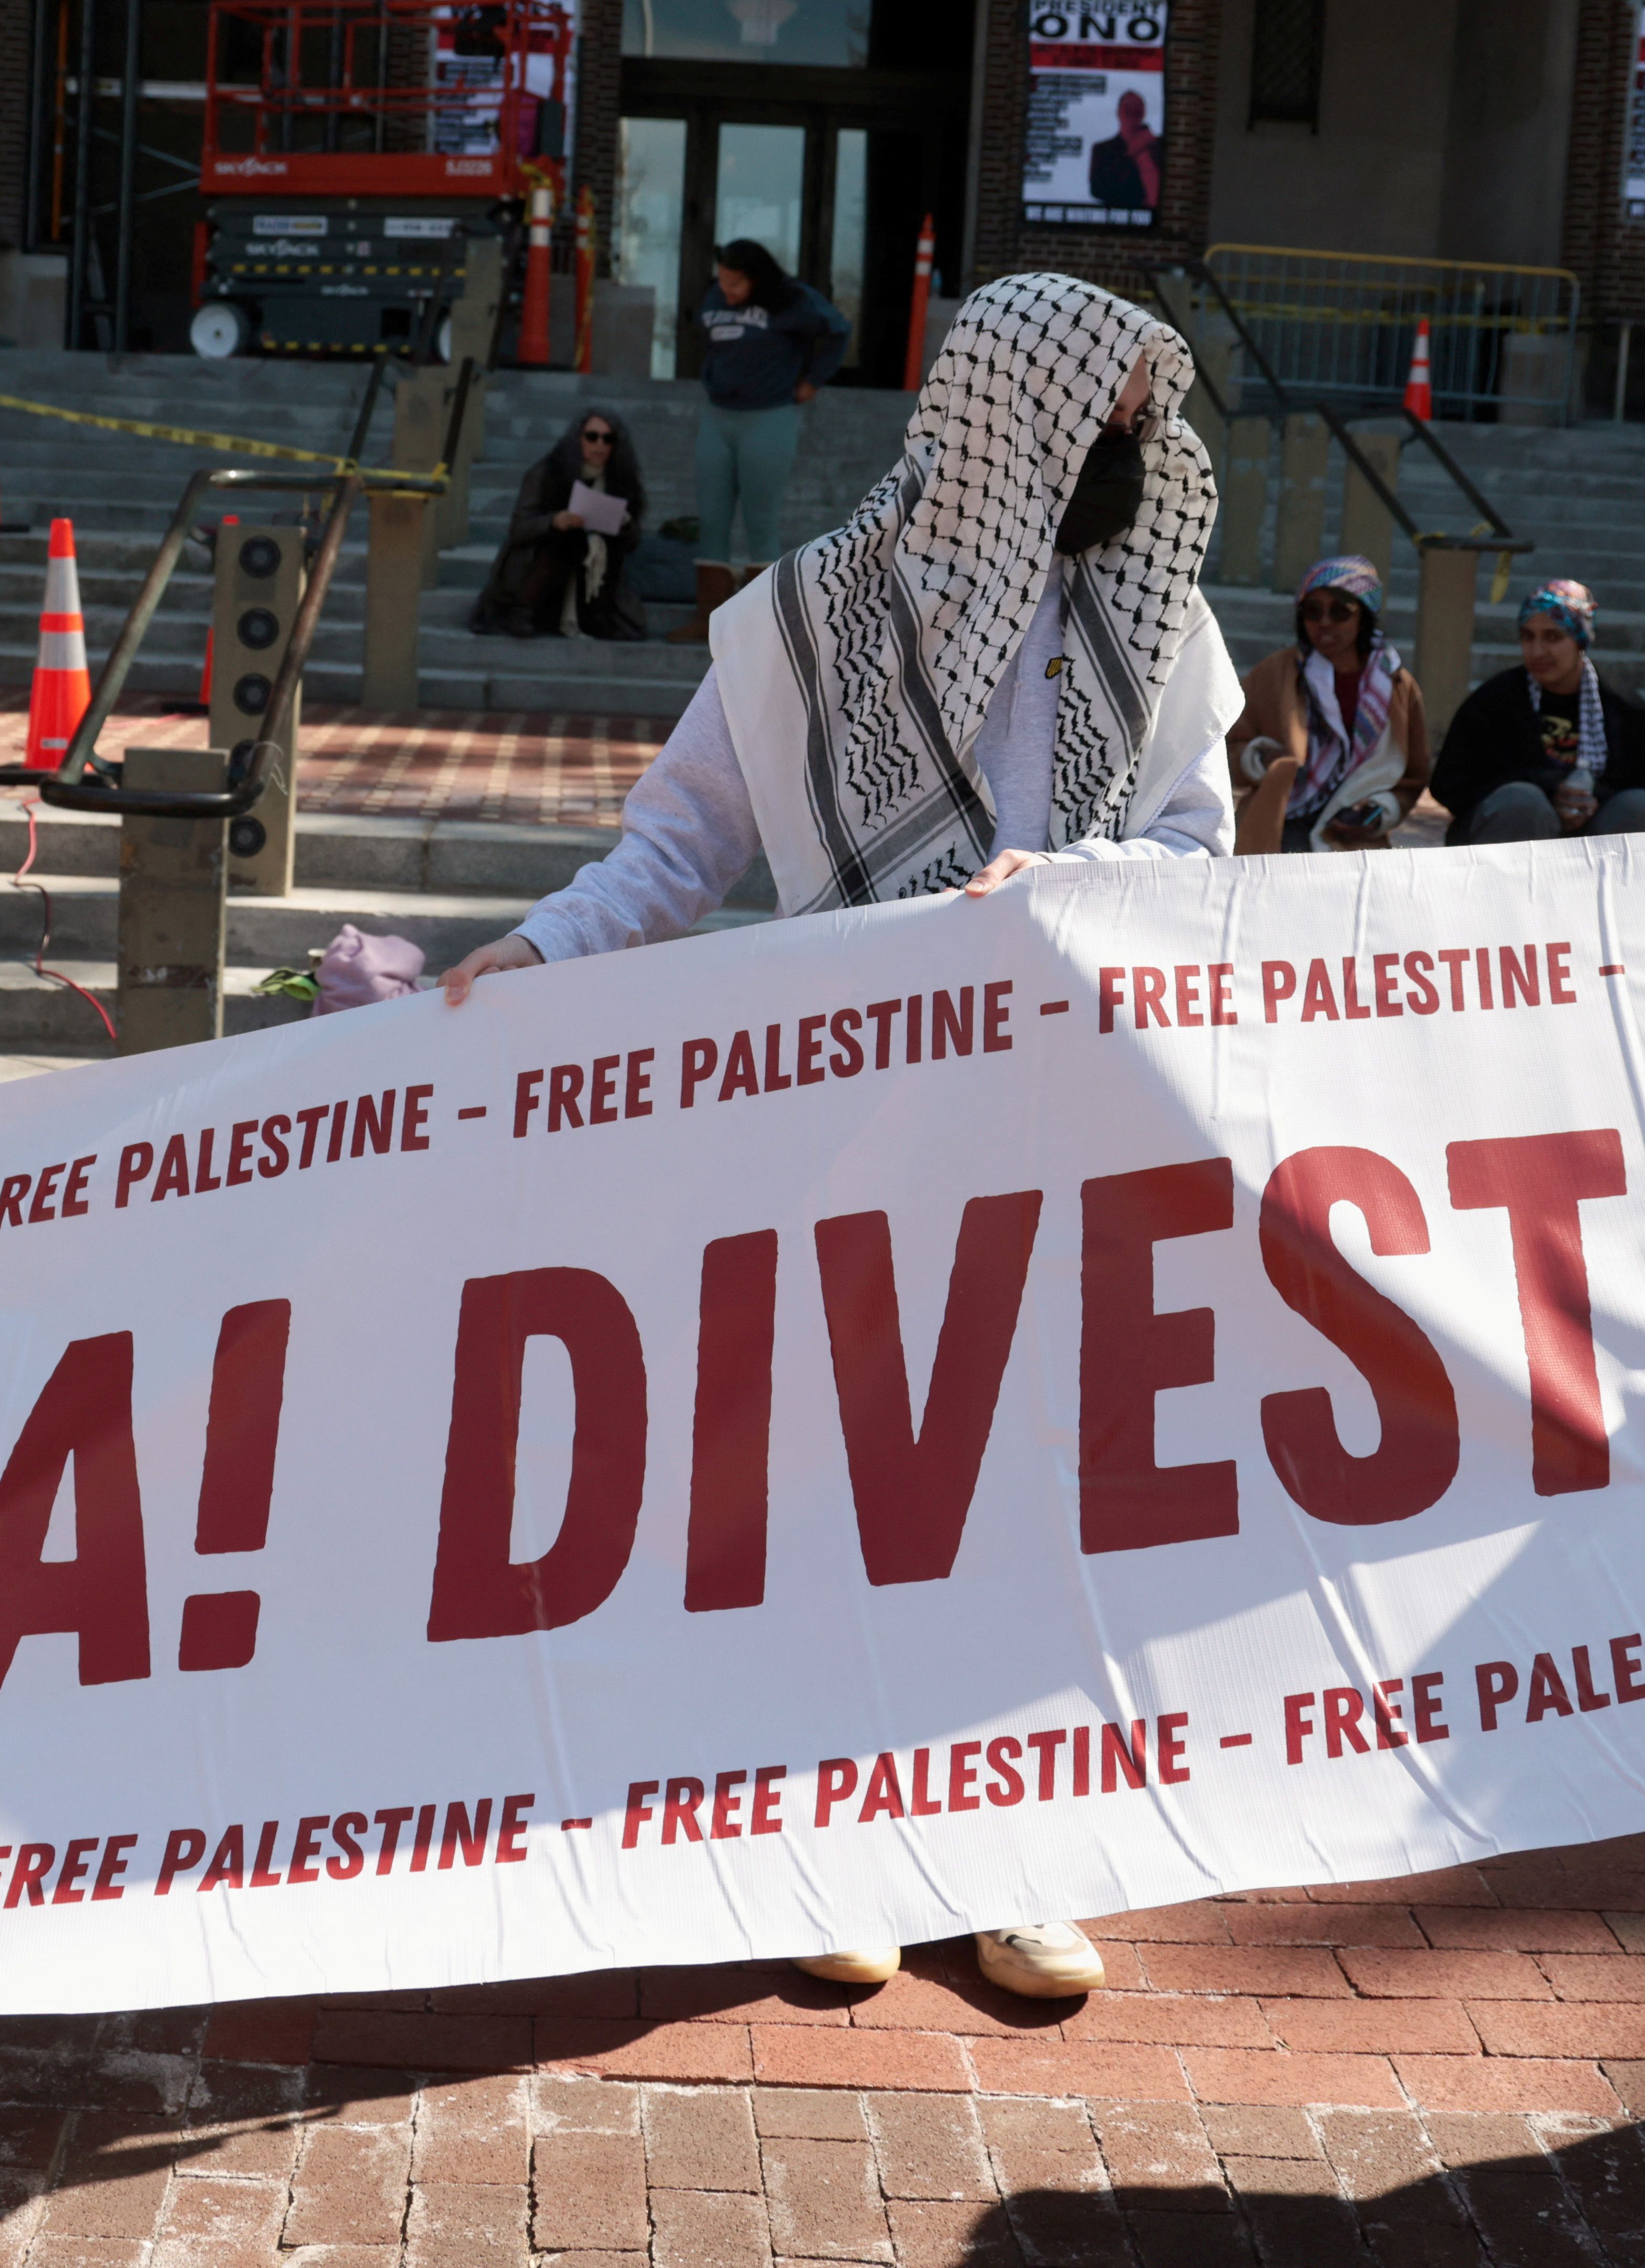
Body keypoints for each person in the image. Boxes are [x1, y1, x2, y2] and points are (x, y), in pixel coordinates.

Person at [439, 270, 1238, 2008]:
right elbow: (675, 852)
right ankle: (839, 1839)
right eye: (1110, 421)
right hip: (850, 1128)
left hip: (1060, 1121)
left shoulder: (1164, 623)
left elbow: (1202, 853)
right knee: (846, 1482)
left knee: (1041, 1487)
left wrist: (1084, 890)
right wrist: (536, 950)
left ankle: (1019, 1846)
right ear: (1016, 422)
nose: (1140, 453)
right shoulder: (809, 622)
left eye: (1145, 428)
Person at [1426, 577, 1645, 841]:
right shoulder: (1494, 702)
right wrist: (1544, 789)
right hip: (1516, 842)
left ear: (1580, 641)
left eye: (1553, 637)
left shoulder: (1626, 710)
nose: (1538, 651)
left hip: (1600, 839)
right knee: (1523, 803)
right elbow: (1450, 785)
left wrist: (1592, 801)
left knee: (1639, 809)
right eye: (1528, 637)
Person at [684, 239, 844, 636]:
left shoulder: (792, 300)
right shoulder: (714, 297)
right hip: (718, 416)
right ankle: (709, 620)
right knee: (712, 520)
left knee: (761, 522)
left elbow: (839, 329)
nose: (727, 290)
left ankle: (758, 631)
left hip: (768, 417)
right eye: (723, 281)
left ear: (757, 279)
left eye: (736, 284)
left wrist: (813, 380)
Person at [1228, 554, 1430, 852]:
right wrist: (1261, 758)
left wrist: (1375, 814)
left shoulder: (1398, 685)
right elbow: (1226, 749)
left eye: (1340, 612)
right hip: (1277, 824)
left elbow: (1412, 778)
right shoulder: (1274, 673)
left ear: (1363, 615)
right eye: (1313, 611)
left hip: (1352, 838)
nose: (1324, 623)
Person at [472, 408, 647, 640]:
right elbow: (519, 529)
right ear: (579, 439)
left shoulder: (620, 481)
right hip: (542, 566)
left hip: (591, 575)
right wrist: (555, 521)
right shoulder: (548, 473)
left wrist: (624, 523)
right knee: (565, 539)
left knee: (603, 546)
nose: (600, 445)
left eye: (608, 439)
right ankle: (522, 610)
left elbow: (633, 543)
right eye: (592, 437)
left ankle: (596, 617)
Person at [1088, 89, 1162, 216]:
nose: (1132, 112)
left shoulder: (1159, 146)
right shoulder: (1103, 149)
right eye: (1128, 108)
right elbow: (1097, 190)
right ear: (1118, 112)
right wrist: (1131, 154)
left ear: (1144, 112)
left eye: (1137, 108)